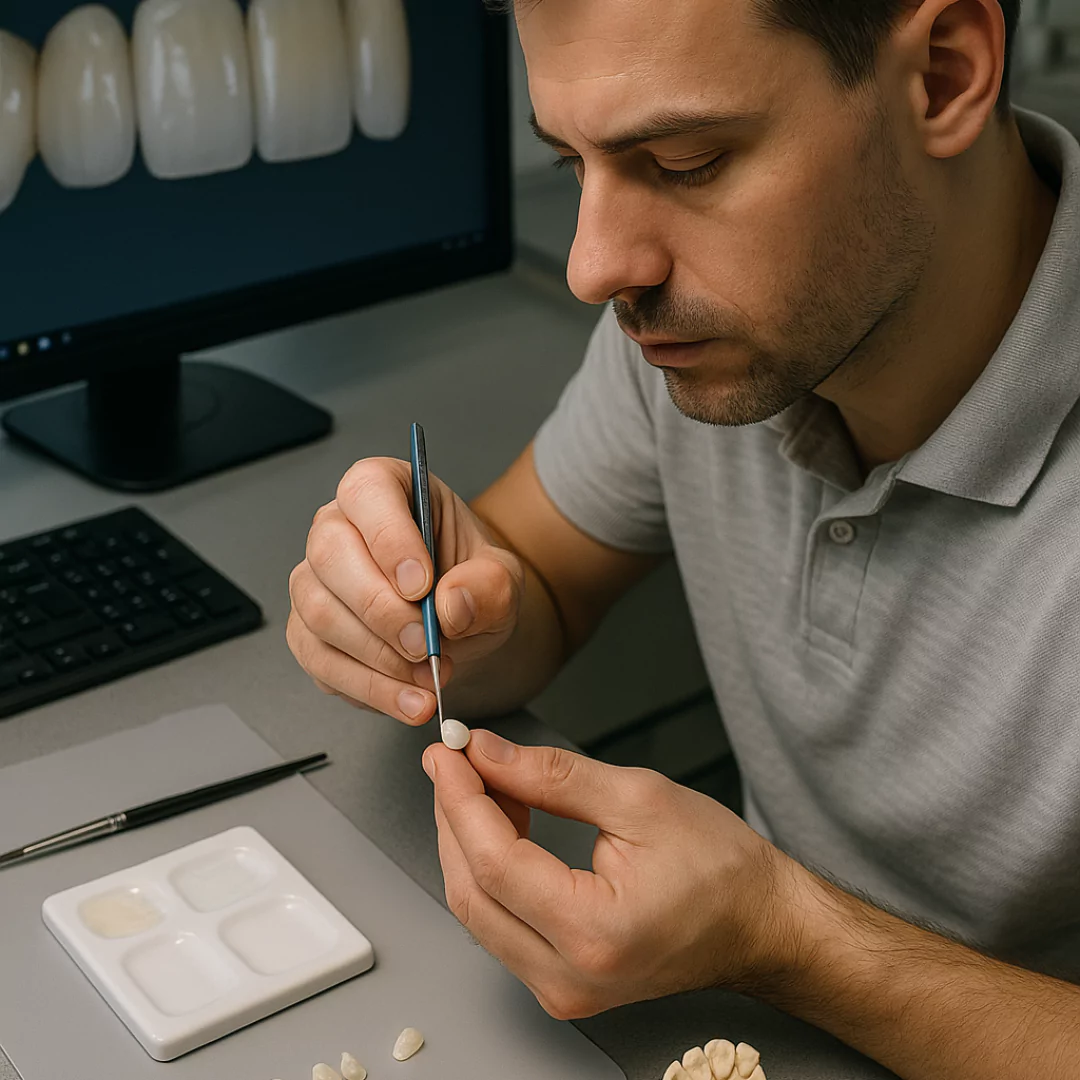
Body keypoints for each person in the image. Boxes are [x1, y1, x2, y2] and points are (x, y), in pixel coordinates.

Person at [287, 0, 1080, 1075]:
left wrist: (781, 936)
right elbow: (538, 583)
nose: (595, 267)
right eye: (572, 163)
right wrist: (432, 608)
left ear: (943, 73)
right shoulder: (716, 325)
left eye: (685, 161)